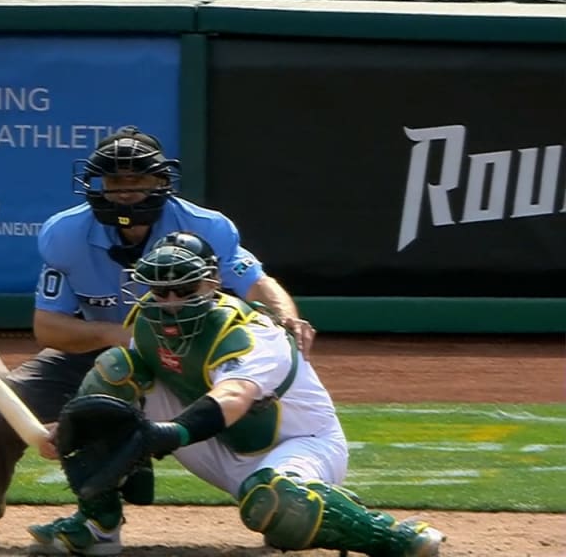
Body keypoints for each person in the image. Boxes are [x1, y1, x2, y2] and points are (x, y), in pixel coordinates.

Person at [0, 126, 316, 545]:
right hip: (104, 353)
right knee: (1, 405)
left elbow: (257, 281)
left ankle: (291, 496)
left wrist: (286, 317)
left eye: (137, 179)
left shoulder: (206, 228)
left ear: (160, 182)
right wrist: (125, 336)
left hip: (193, 355)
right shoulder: (65, 235)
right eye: (115, 180)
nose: (125, 190)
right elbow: (48, 328)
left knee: (252, 405)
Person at [27, 233, 446, 556]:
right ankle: (97, 525)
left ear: (212, 283)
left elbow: (232, 398)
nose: (170, 303)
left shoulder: (250, 333)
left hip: (298, 443)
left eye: (184, 290)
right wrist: (72, 432)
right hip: (216, 444)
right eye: (160, 291)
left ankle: (390, 536)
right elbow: (120, 396)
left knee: (272, 503)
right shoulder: (146, 324)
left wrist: (164, 434)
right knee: (115, 370)